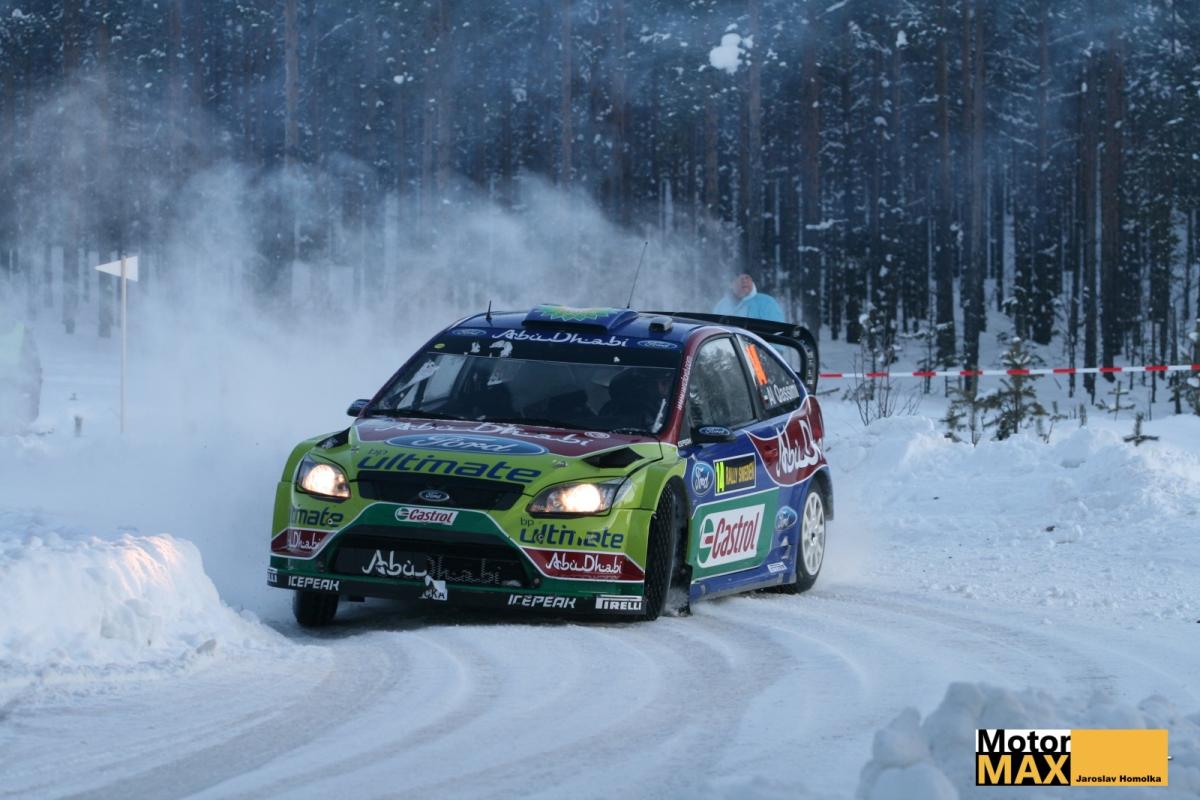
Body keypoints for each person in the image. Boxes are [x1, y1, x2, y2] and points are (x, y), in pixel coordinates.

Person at [0, 320, 42, 433]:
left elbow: (34, 371)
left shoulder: (23, 333)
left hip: (15, 390)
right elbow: (35, 372)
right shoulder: (23, 332)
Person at [712, 273, 785, 322]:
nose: (744, 281)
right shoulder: (722, 305)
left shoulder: (767, 303)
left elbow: (777, 332)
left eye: (747, 277)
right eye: (739, 278)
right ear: (731, 284)